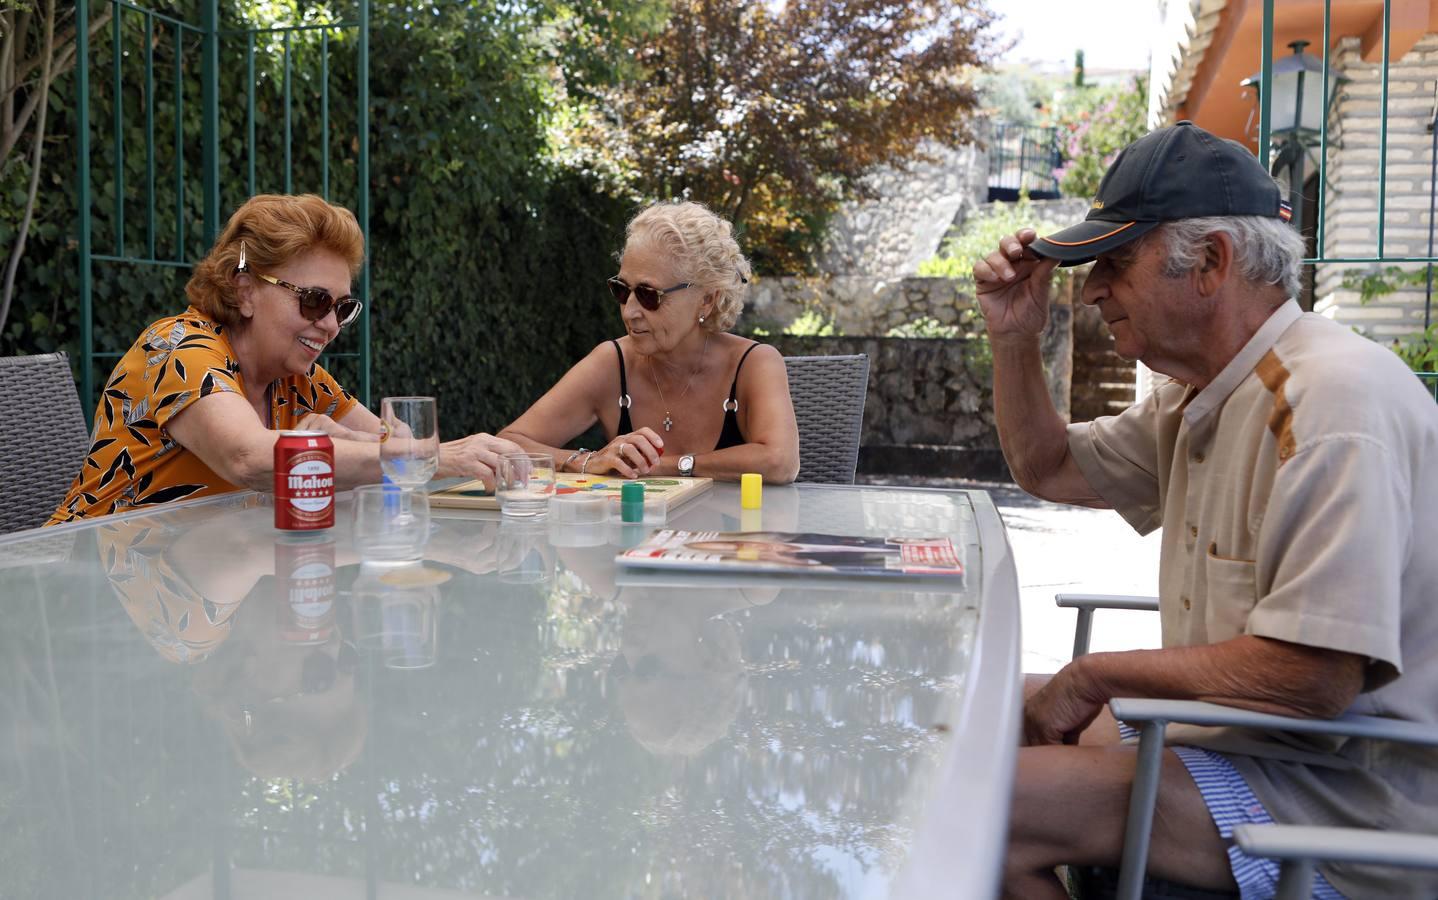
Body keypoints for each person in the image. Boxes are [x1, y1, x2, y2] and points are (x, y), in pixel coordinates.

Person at [974, 121, 1438, 899]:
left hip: (1346, 798)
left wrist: (1095, 676)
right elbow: (1047, 467)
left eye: (1113, 264)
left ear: (1212, 263)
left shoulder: (1328, 405)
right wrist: (1016, 338)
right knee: (979, 702)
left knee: (987, 812)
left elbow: (1313, 676)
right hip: (1252, 748)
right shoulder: (1209, 393)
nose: (1090, 291)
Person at [48, 193, 520, 525]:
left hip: (201, 592)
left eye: (342, 307)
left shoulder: (301, 380)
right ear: (246, 289)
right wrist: (435, 456)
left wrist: (365, 442)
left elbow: (387, 443)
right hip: (87, 587)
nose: (331, 325)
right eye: (314, 300)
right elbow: (249, 459)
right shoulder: (177, 348)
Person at [498, 200, 800, 484]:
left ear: (707, 300)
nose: (630, 311)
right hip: (631, 539)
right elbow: (507, 446)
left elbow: (780, 461)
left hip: (731, 538)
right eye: (621, 290)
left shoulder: (752, 363)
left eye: (648, 295)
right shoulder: (612, 363)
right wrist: (587, 461)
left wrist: (664, 466)